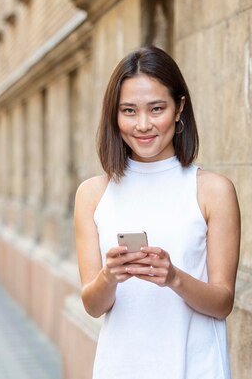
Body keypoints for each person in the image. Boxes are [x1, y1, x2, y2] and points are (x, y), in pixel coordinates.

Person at [74, 46, 241, 379]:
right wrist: (110, 276)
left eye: (156, 109)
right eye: (129, 111)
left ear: (179, 108)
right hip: (119, 367)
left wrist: (173, 277)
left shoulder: (213, 190)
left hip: (195, 367)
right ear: (114, 115)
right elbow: (93, 306)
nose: (143, 124)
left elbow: (222, 302)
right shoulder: (92, 194)